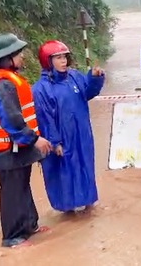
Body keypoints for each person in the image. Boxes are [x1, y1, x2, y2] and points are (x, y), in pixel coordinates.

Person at [0, 33, 52, 248]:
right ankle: (12, 237)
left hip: (14, 146)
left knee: (21, 185)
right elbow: (10, 119)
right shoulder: (1, 84)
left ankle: (29, 225)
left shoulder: (4, 76)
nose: (22, 58)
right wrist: (33, 139)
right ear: (5, 58)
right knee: (12, 190)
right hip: (7, 147)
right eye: (18, 54)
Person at [32, 40, 105, 213]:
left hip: (82, 133)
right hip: (61, 138)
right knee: (64, 174)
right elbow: (44, 118)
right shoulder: (41, 89)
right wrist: (55, 142)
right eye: (58, 58)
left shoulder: (74, 77)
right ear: (48, 61)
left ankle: (88, 205)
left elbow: (87, 93)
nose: (63, 61)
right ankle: (68, 212)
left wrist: (94, 78)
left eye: (64, 57)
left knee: (85, 166)